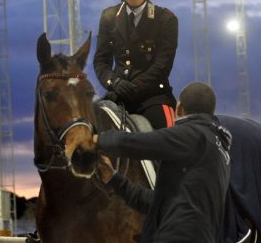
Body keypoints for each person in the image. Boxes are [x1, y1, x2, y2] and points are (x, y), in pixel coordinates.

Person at [94, 82, 232, 243]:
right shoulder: (218, 150)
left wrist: (98, 139)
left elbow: (140, 144)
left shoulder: (194, 135)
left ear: (179, 108)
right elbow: (155, 203)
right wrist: (113, 178)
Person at [93, 0, 178, 129]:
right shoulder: (108, 17)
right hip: (117, 96)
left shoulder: (165, 19)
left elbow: (162, 66)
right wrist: (114, 82)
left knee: (166, 141)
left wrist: (134, 86)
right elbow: (101, 61)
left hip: (153, 98)